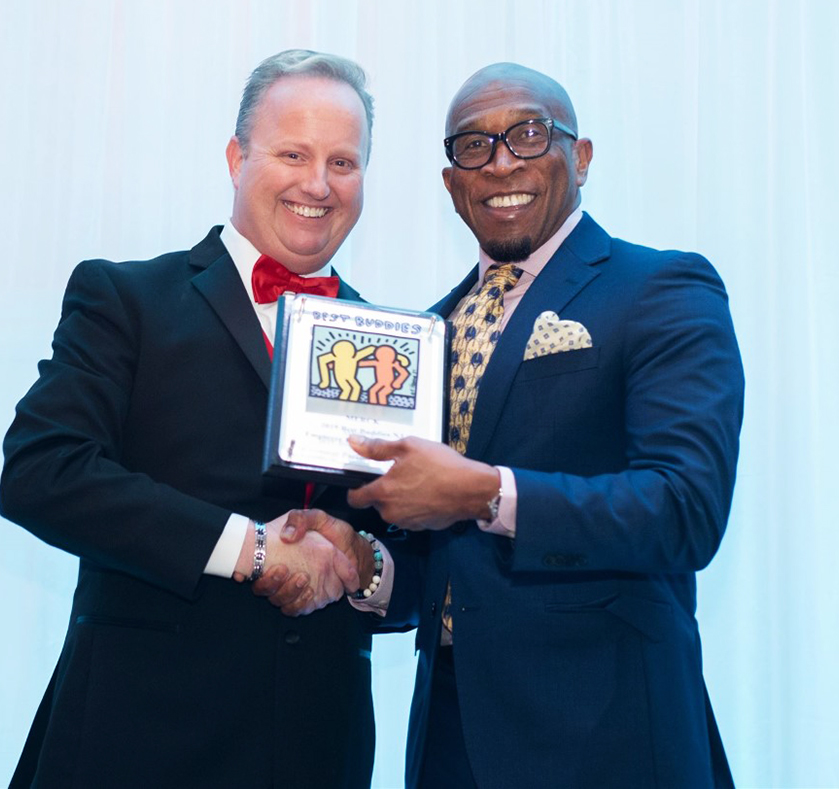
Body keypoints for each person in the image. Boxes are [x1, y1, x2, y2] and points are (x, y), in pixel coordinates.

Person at [286, 62, 744, 787]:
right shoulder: (428, 332)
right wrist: (366, 564)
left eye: (528, 134)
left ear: (581, 156)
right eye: (473, 146)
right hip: (450, 739)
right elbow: (441, 564)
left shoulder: (663, 287)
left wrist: (484, 492)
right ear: (450, 183)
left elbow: (685, 509)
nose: (501, 162)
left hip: (609, 739)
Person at [0, 49, 387, 788]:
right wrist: (250, 549)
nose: (317, 183)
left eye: (344, 161)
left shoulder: (390, 346)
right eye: (294, 153)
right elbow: (41, 473)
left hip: (318, 750)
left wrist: (365, 562)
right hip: (138, 740)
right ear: (238, 157)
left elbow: (407, 548)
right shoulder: (125, 299)